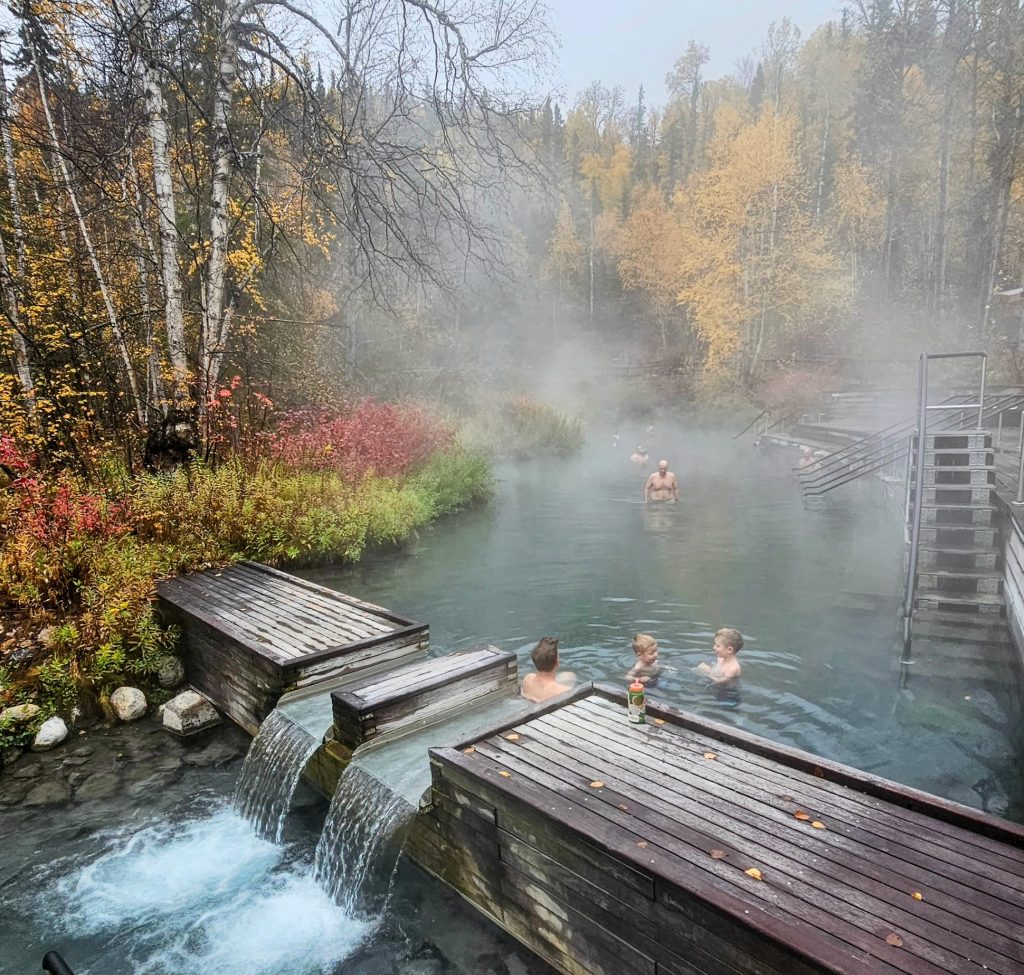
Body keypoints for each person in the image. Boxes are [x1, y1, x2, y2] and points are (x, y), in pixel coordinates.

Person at [521, 636, 573, 702]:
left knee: (568, 675)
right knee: (570, 675)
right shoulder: (565, 691)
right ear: (557, 662)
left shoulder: (527, 679)